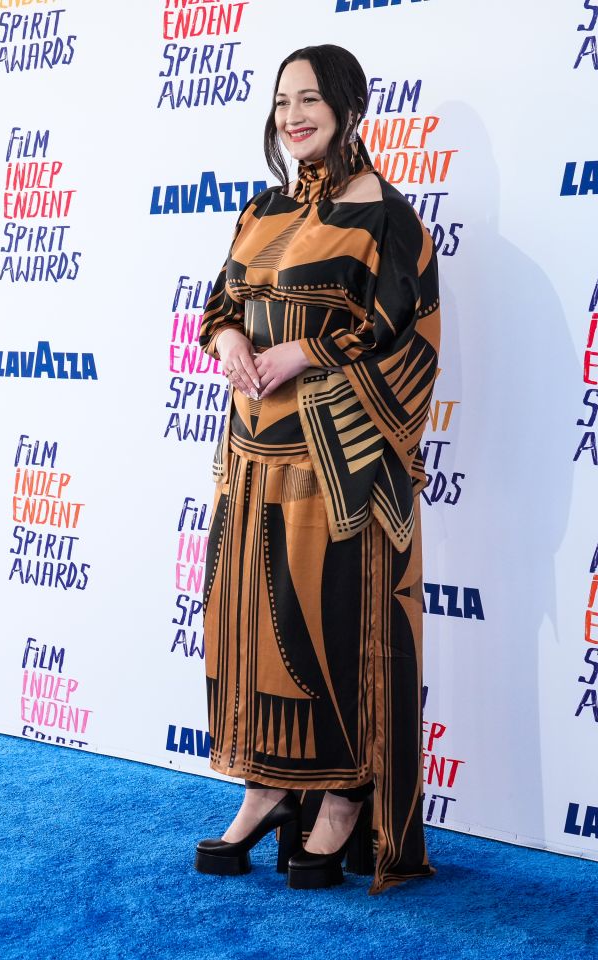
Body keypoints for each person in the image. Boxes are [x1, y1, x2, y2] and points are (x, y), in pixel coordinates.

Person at [192, 44, 441, 894]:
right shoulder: (260, 209)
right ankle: (265, 790)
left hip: (335, 475)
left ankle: (341, 798)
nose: (292, 116)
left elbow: (403, 333)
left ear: (346, 105)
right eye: (281, 102)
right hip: (249, 466)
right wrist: (227, 336)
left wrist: (306, 349)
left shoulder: (388, 220)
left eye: (308, 99)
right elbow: (224, 299)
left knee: (327, 635)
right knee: (250, 634)